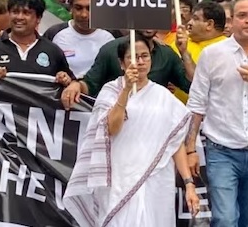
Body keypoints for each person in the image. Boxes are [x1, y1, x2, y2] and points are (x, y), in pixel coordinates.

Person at [63, 34, 199, 226]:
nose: (140, 62)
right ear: (122, 63)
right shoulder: (110, 91)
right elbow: (111, 128)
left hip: (156, 179)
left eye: (145, 56)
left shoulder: (163, 96)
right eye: (133, 57)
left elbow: (174, 144)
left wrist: (188, 183)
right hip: (120, 177)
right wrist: (126, 91)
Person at [186, 0, 248, 227]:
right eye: (242, 15)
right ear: (231, 21)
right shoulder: (212, 54)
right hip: (221, 152)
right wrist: (190, 149)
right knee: (225, 218)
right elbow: (197, 103)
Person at [0, 0, 81, 108]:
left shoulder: (52, 51)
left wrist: (68, 82)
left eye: (26, 13)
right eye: (15, 12)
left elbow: (71, 82)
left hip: (41, 118)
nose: (19, 17)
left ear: (38, 18)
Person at [80, 29, 192, 98]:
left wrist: (184, 52)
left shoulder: (167, 54)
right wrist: (76, 87)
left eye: (145, 56)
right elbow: (90, 84)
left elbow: (192, 86)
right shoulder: (110, 50)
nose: (141, 62)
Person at [44, 0, 114, 78]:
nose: (84, 14)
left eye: (89, 8)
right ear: (71, 8)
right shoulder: (53, 34)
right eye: (78, 8)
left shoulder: (111, 36)